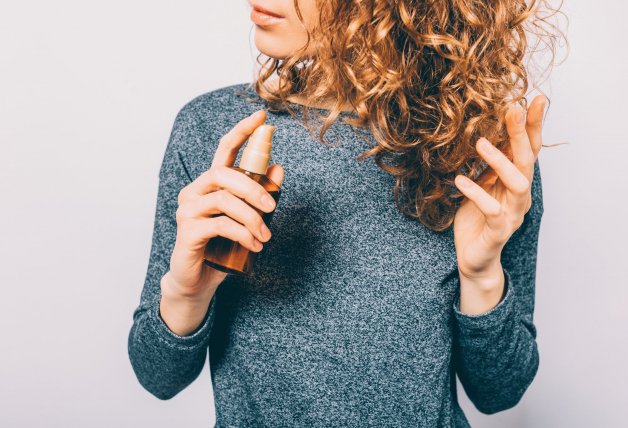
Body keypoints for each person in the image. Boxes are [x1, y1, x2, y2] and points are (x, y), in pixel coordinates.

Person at [128, 0, 562, 426]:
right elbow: (158, 375)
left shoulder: (477, 148)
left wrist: (482, 276)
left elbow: (500, 392)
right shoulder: (210, 128)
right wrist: (187, 295)